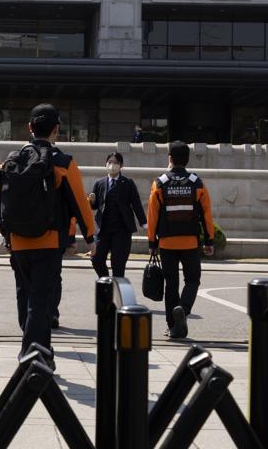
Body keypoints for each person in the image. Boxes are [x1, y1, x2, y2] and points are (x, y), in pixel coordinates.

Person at [0, 104, 94, 367]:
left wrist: (7, 234)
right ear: (57, 130)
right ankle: (31, 356)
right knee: (41, 301)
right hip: (48, 242)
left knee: (26, 295)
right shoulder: (63, 163)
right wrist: (91, 237)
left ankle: (43, 353)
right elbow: (81, 203)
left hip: (19, 243)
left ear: (30, 128)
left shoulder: (11, 160)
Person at [148, 141, 214, 341]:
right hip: (190, 243)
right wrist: (209, 240)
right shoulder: (197, 183)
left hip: (167, 244)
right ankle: (183, 310)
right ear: (187, 159)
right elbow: (206, 215)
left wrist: (152, 243)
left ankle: (172, 326)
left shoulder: (160, 182)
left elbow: (152, 216)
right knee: (192, 280)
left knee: (171, 284)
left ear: (170, 158)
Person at [88, 151, 146, 280]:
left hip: (122, 230)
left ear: (121, 165)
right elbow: (96, 206)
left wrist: (144, 222)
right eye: (110, 162)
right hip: (103, 229)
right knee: (96, 259)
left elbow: (136, 204)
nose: (112, 165)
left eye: (115, 163)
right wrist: (92, 201)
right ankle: (106, 280)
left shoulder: (128, 183)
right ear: (105, 164)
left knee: (118, 265)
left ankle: (116, 295)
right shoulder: (99, 183)